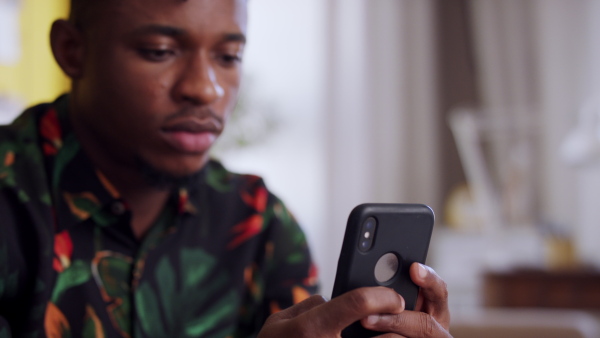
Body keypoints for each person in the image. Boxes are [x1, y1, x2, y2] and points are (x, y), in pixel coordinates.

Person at [0, 0, 451, 337]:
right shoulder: (10, 204)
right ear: (72, 51)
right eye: (159, 50)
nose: (205, 88)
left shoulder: (258, 223)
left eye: (228, 57)